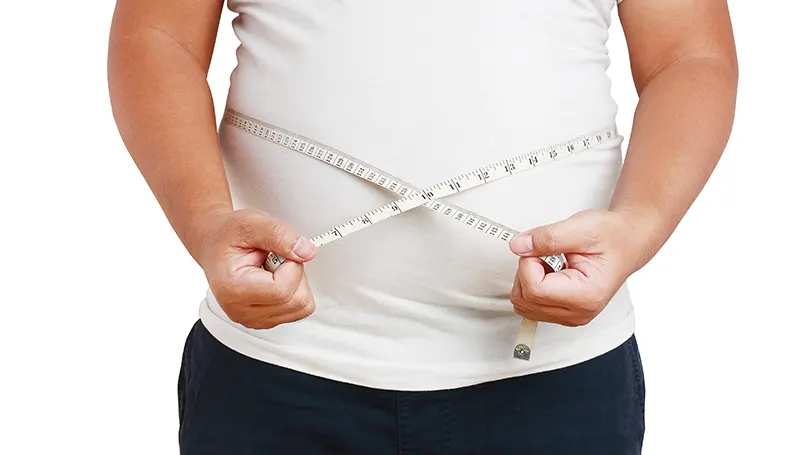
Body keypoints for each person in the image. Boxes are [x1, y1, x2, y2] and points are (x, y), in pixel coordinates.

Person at [108, 0, 737, 453]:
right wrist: (207, 223)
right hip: (274, 370)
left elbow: (689, 55)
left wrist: (638, 227)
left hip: (555, 379)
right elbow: (157, 36)